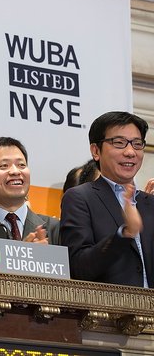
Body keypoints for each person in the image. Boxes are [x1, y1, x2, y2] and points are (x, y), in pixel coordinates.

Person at [60, 111, 153, 287]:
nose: (130, 152)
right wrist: (124, 234)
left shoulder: (150, 203)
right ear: (96, 151)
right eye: (119, 143)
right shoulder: (80, 198)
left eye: (137, 144)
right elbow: (78, 267)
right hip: (111, 304)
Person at [0, 137, 59, 244]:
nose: (15, 171)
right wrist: (25, 252)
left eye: (21, 165)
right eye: (4, 166)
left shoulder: (54, 228)